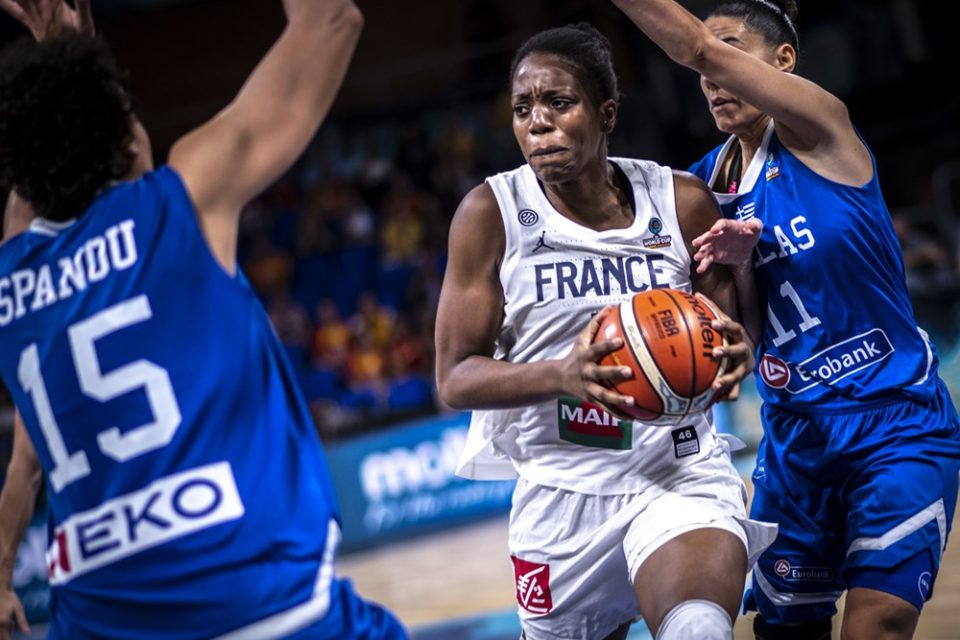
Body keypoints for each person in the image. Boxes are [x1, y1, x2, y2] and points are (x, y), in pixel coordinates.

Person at [0, 0, 409, 638]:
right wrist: (79, 68)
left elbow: (30, 201)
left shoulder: (12, 281)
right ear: (120, 136)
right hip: (268, 609)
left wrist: (66, 65)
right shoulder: (181, 202)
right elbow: (332, 18)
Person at [610, 1, 960, 638]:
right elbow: (738, 339)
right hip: (795, 438)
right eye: (706, 70)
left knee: (878, 623)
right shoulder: (700, 187)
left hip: (895, 422)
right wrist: (739, 270)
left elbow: (697, 48)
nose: (711, 77)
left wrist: (696, 42)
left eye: (730, 50)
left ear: (783, 61)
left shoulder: (822, 128)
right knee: (785, 630)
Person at [434, 23, 776, 640]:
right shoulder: (489, 214)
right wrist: (563, 375)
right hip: (560, 493)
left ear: (606, 113)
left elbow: (727, 335)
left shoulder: (681, 201)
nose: (538, 122)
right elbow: (455, 378)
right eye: (522, 108)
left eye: (558, 102)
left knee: (698, 628)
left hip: (675, 471)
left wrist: (731, 355)